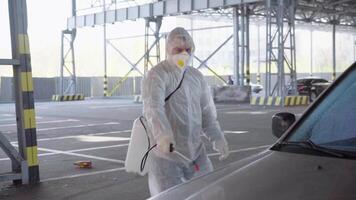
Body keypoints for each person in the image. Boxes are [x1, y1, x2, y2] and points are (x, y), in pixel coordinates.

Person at [142, 27, 229, 196]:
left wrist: (217, 137)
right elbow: (153, 108)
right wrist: (163, 136)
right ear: (168, 50)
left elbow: (206, 112)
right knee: (170, 196)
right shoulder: (157, 75)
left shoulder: (196, 76)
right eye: (178, 50)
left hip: (196, 153)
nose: (184, 54)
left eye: (188, 50)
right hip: (167, 156)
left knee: (209, 193)